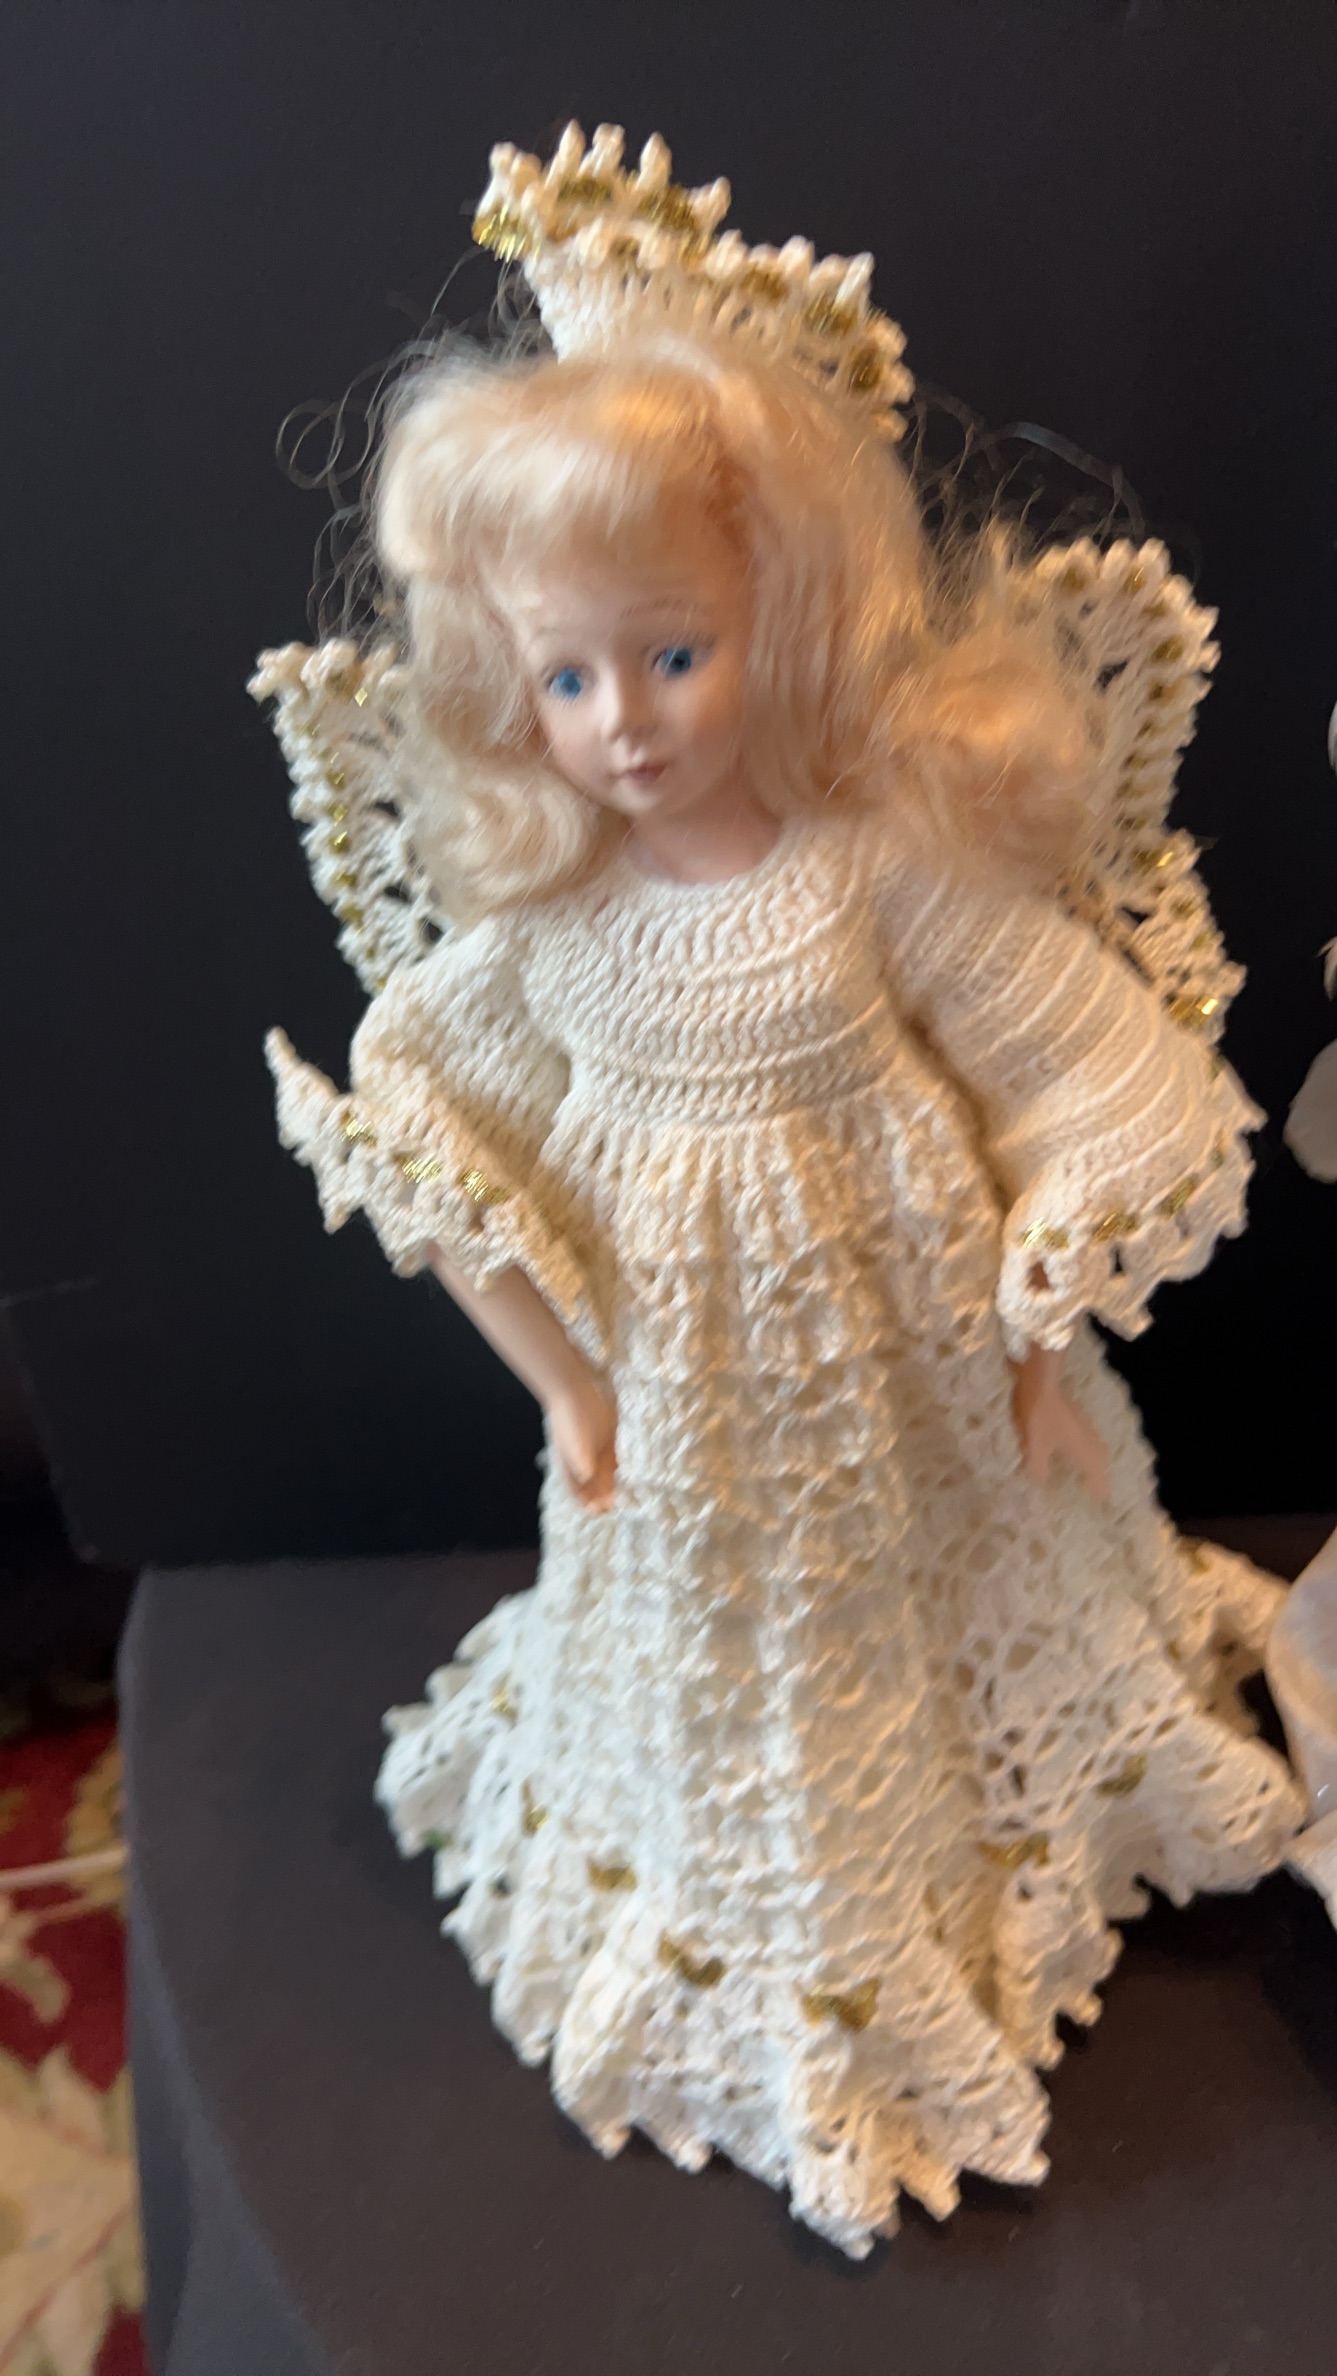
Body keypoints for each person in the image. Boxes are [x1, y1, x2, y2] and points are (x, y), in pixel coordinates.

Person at [260, 127, 1301, 2256]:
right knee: (723, 1656)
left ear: (782, 611)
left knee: (930, 1602)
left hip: (909, 1374)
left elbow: (1070, 1055)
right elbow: (418, 1134)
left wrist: (1038, 1324)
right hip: (681, 1413)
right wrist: (564, 1384)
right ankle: (769, 1916)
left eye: (670, 655)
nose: (622, 727)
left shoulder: (871, 861)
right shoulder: (555, 926)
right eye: (566, 678)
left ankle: (945, 1862)